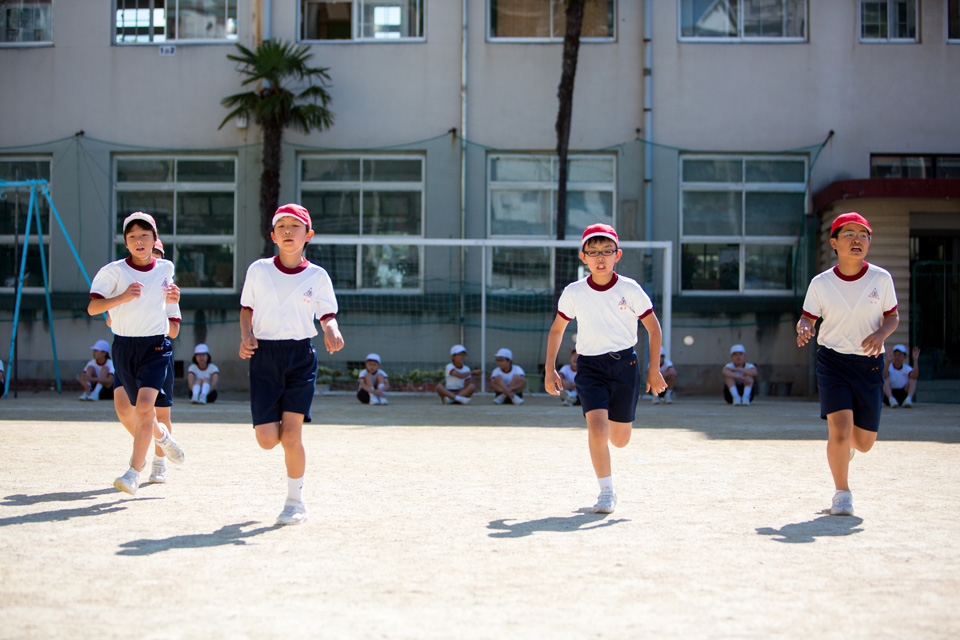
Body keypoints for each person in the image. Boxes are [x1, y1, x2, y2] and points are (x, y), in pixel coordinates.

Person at [544, 223, 667, 514]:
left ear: (617, 255)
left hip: (626, 365)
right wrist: (550, 369)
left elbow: (653, 329)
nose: (600, 257)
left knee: (620, 440)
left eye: (607, 251)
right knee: (597, 428)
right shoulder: (574, 292)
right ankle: (606, 492)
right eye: (593, 252)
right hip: (590, 367)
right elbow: (557, 330)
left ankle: (614, 421)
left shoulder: (630, 289)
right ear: (583, 257)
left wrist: (654, 369)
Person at [239, 203, 343, 526]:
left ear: (308, 235)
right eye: (281, 226)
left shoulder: (318, 276)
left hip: (300, 357)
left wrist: (331, 329)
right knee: (267, 439)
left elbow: (327, 314)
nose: (287, 231)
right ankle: (279, 434)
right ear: (272, 235)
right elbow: (246, 308)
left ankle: (295, 503)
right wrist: (246, 335)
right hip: (264, 357)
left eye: (295, 226)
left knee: (292, 434)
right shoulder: (258, 270)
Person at [797, 212, 899, 517]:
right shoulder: (821, 283)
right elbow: (807, 317)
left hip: (869, 364)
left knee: (863, 443)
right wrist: (804, 327)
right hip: (833, 362)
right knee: (839, 431)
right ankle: (842, 494)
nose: (857, 239)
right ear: (834, 243)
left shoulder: (881, 279)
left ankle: (847, 449)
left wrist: (881, 334)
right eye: (849, 234)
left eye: (863, 235)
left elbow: (892, 316)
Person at [88, 212, 185, 495]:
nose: (140, 241)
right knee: (129, 409)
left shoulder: (166, 270)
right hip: (124, 347)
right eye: (133, 236)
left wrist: (170, 302)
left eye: (145, 236)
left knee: (147, 408)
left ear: (155, 239)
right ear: (125, 242)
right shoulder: (113, 272)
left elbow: (174, 328)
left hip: (156, 347)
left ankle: (135, 471)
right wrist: (122, 300)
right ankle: (161, 439)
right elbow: (94, 308)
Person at [107, 236, 181, 484]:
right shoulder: (125, 282)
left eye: (157, 256)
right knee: (122, 406)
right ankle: (148, 442)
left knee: (159, 411)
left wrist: (154, 319)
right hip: (127, 351)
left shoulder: (168, 291)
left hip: (155, 351)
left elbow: (174, 331)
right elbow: (109, 319)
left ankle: (159, 462)